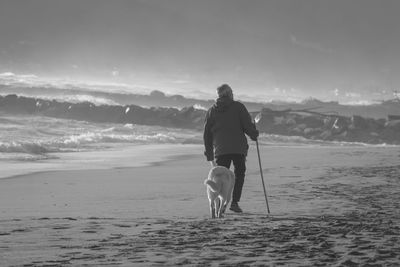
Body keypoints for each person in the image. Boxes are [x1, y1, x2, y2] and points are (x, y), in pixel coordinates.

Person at [203, 84, 259, 213]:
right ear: (229, 93)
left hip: (221, 149)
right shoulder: (238, 107)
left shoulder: (212, 110)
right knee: (238, 175)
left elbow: (207, 134)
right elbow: (247, 125)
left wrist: (209, 152)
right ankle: (234, 202)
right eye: (232, 92)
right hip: (238, 148)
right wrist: (254, 134)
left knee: (220, 177)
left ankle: (218, 206)